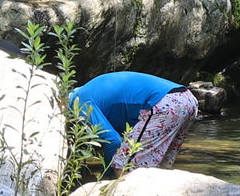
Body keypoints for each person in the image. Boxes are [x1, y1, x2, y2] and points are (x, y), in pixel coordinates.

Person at [68, 71, 199, 173]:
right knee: (159, 167)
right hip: (188, 99)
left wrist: (104, 179)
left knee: (124, 165)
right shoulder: (90, 91)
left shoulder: (78, 101)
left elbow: (114, 142)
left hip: (166, 103)